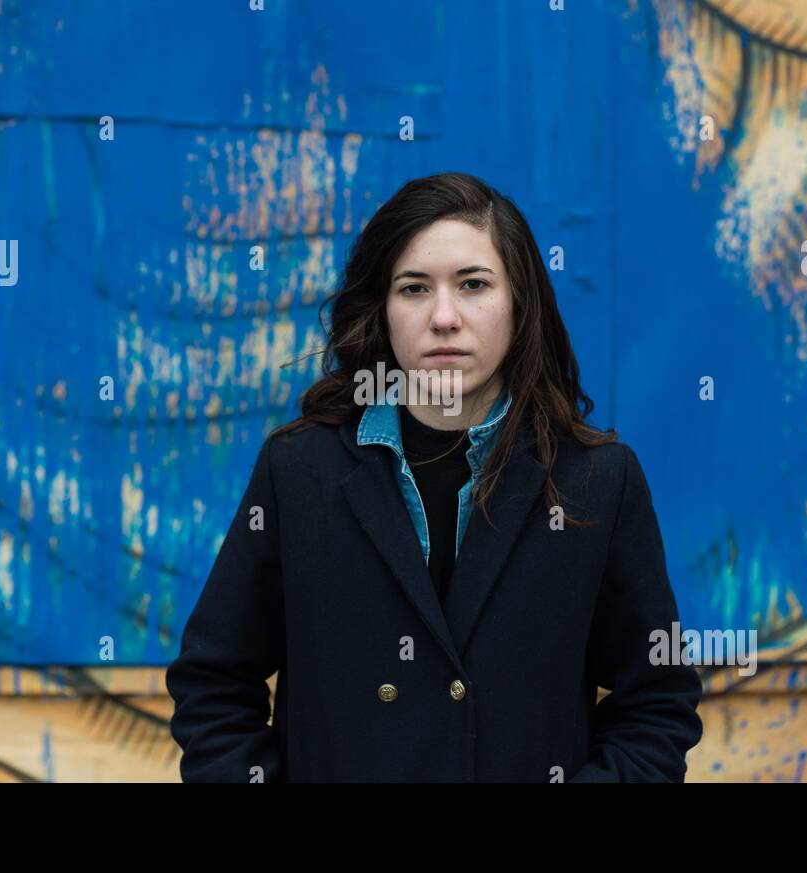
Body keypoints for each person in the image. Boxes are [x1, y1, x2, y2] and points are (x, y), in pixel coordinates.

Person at [165, 172, 703, 782]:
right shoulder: (300, 471)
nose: (444, 317)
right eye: (414, 288)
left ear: (519, 303)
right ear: (383, 309)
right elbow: (213, 682)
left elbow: (657, 705)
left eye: (473, 285)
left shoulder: (596, 481)